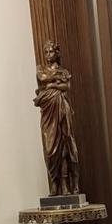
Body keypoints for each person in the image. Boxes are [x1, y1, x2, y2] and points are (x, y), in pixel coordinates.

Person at [33, 39, 80, 197]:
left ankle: (64, 184)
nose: (48, 55)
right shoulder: (40, 70)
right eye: (46, 52)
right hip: (48, 113)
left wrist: (53, 85)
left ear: (56, 53)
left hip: (61, 109)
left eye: (51, 51)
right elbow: (42, 80)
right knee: (50, 149)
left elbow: (66, 86)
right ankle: (54, 181)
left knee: (64, 147)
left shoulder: (63, 71)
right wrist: (56, 80)